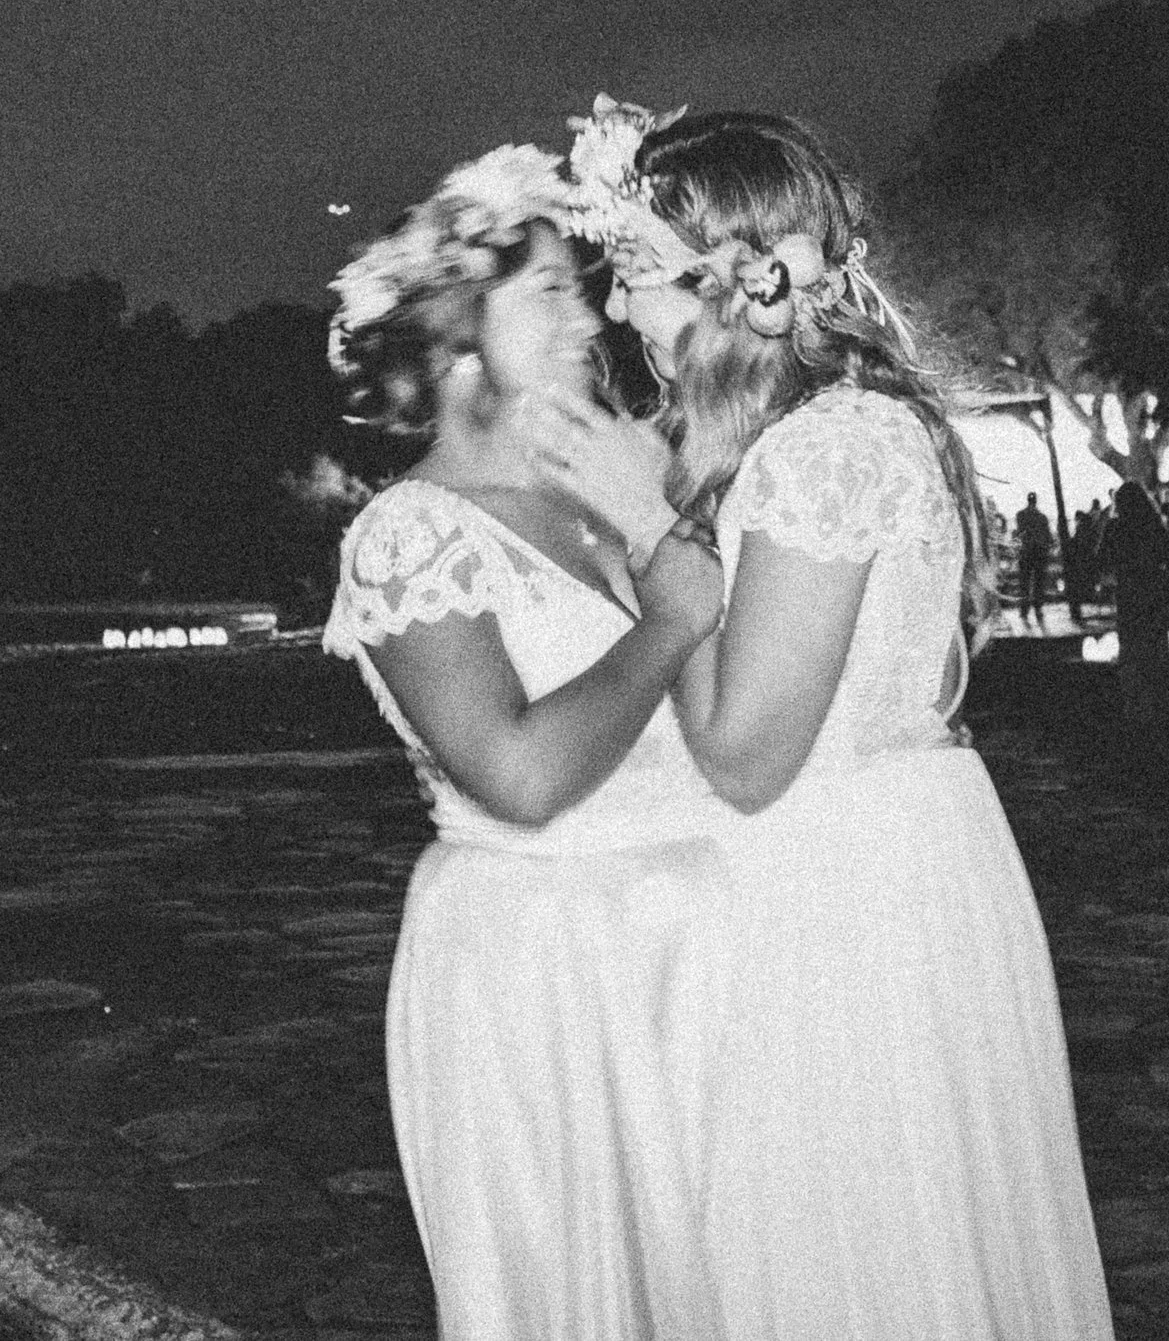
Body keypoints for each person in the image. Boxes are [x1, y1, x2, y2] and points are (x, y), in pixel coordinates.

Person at [543, 104, 1113, 1340]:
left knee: (832, 1256)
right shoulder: (824, 431)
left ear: (746, 277)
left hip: (829, 899)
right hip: (863, 868)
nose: (623, 312)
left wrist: (648, 533)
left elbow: (746, 756)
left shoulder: (825, 449)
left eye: (635, 273)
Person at [320, 141, 738, 1341]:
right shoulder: (409, 535)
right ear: (455, 334)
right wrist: (667, 617)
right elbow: (519, 773)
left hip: (695, 948)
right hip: (547, 970)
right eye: (547, 291)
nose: (587, 315)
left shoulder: (607, 495)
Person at [1104, 481, 1169, 721]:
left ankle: (1134, 704)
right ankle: (1160, 701)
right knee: (1154, 642)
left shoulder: (1115, 527)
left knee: (1132, 644)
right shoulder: (1153, 525)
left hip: (1128, 591)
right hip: (1152, 589)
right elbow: (1168, 551)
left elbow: (1101, 557)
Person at [1014, 491, 1054, 631]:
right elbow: (1049, 537)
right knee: (1038, 583)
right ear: (1036, 501)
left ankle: (1024, 610)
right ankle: (1038, 609)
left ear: (1027, 500)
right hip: (1039, 553)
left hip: (1026, 554)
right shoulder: (1042, 517)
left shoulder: (1020, 515)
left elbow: (1019, 533)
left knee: (1024, 582)